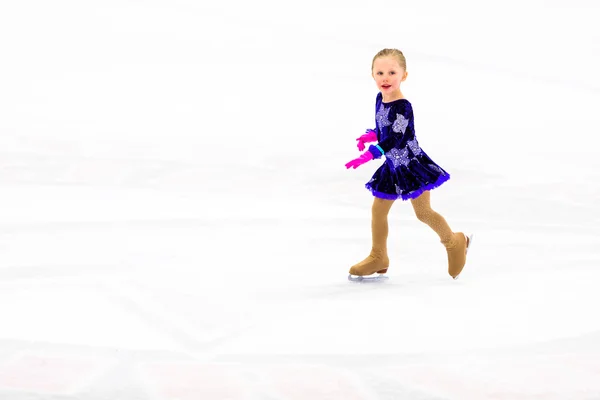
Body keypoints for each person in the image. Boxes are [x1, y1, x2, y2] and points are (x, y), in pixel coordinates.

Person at [345, 48, 472, 279]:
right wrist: (371, 135)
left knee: (423, 212)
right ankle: (378, 256)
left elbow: (396, 137)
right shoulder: (379, 99)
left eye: (392, 72)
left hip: (411, 165)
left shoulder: (403, 106)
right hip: (392, 167)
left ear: (404, 75)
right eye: (380, 72)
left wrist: (372, 153)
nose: (385, 77)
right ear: (372, 75)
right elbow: (384, 129)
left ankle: (454, 241)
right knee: (378, 211)